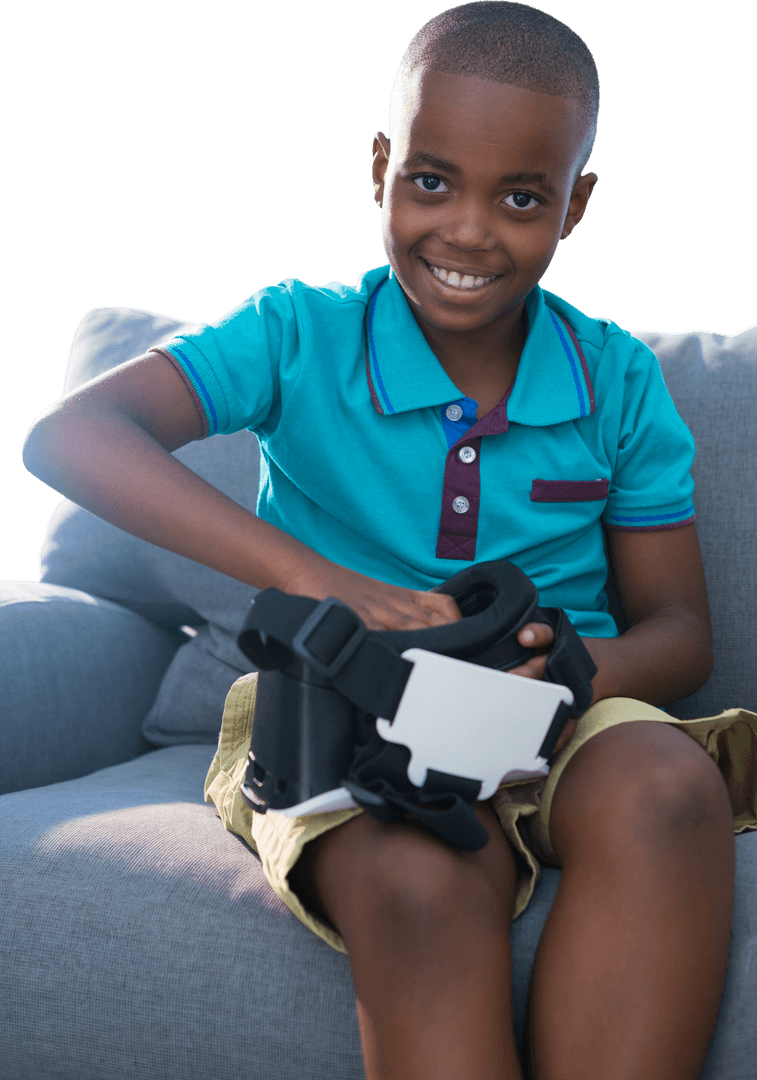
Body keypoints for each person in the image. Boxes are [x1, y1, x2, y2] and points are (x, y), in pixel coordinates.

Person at [23, 3, 749, 1078]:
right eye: (429, 180)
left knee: (664, 790)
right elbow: (70, 436)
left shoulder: (617, 384)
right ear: (378, 169)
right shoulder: (296, 336)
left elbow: (679, 628)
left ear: (575, 204)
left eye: (518, 198)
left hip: (560, 713)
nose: (465, 231)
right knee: (416, 870)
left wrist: (564, 677)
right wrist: (329, 586)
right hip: (340, 707)